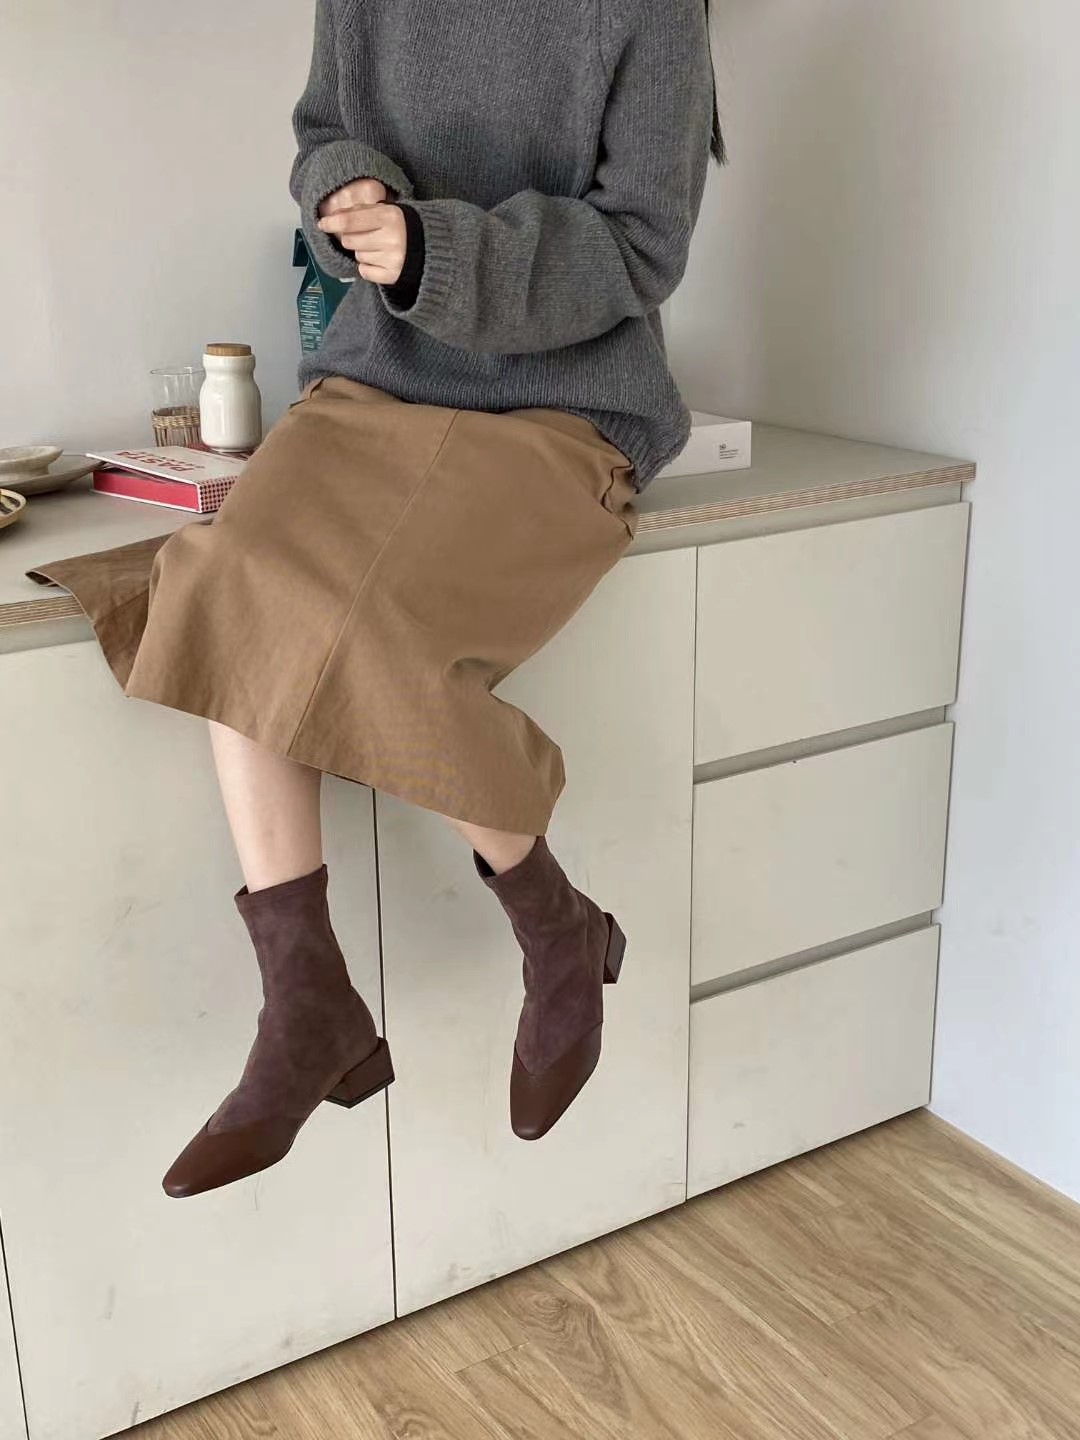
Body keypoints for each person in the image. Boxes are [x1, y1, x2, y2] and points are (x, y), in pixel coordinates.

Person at [25, 0, 725, 1199]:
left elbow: (644, 246)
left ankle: (555, 926)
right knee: (229, 576)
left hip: (565, 411)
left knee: (372, 633)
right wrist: (347, 197)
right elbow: (324, 135)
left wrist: (433, 249)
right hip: (371, 387)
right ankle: (306, 999)